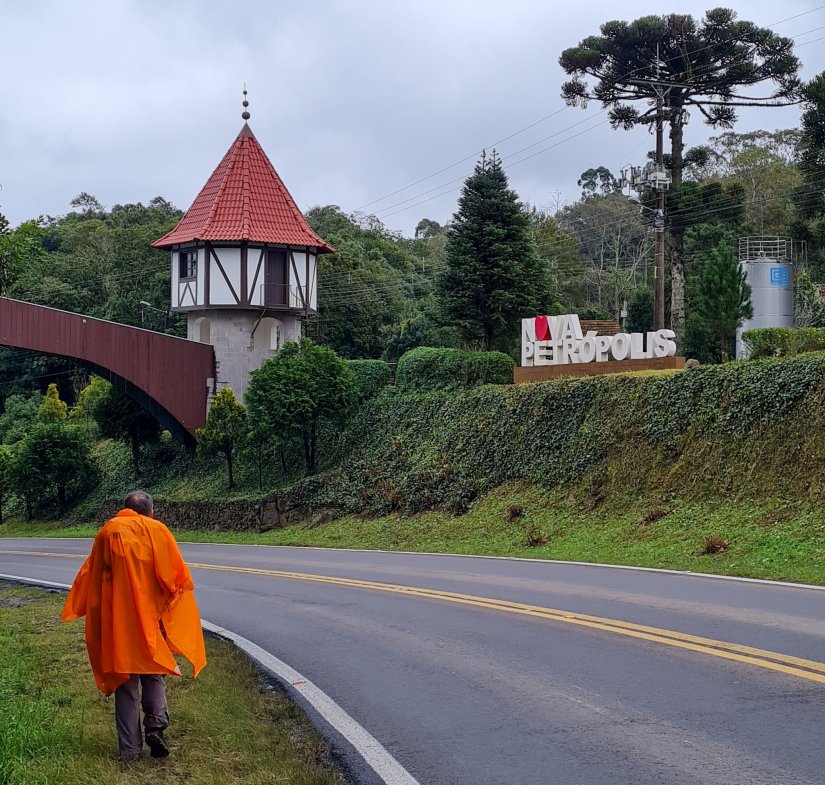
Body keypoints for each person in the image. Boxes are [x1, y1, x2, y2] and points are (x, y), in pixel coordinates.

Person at [61, 490, 206, 761]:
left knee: (126, 684)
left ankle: (129, 752)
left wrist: (87, 609)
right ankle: (155, 726)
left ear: (124, 509)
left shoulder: (109, 532)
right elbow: (176, 580)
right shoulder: (159, 532)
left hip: (119, 623)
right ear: (151, 512)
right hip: (152, 620)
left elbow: (92, 575)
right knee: (154, 671)